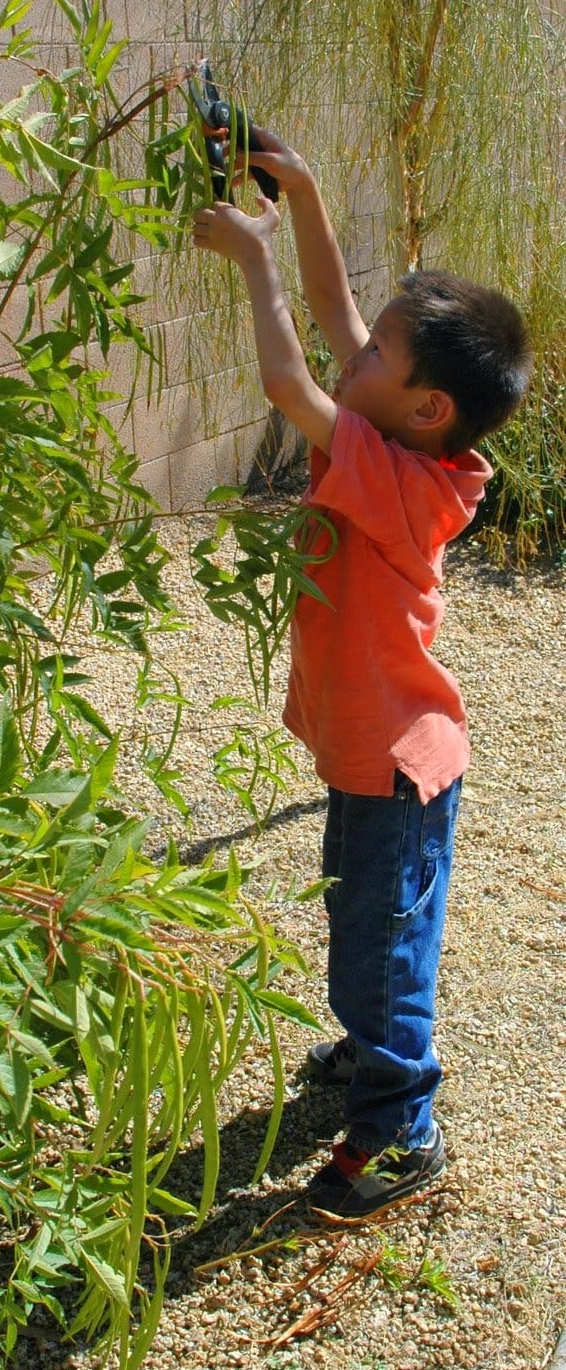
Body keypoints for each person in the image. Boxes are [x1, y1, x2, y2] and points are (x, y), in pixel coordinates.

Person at [192, 132, 532, 1219]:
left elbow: (289, 372)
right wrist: (302, 196)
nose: (356, 356)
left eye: (378, 359)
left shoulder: (399, 481)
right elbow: (340, 323)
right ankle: (372, 1047)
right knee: (367, 919)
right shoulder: (400, 432)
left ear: (424, 405)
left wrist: (250, 258)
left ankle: (400, 1126)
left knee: (377, 944)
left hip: (391, 760)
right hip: (377, 754)